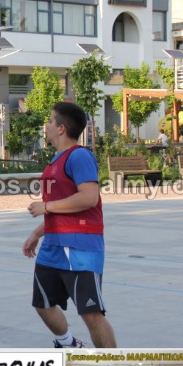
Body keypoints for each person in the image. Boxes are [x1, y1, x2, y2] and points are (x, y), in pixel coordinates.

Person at [23, 102, 117, 348]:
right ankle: (68, 344)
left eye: (50, 121)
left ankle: (113, 365)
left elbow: (89, 197)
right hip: (53, 245)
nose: (47, 125)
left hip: (79, 247)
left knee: (91, 314)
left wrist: (45, 207)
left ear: (61, 128)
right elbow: (62, 206)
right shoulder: (57, 160)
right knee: (42, 304)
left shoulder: (79, 156)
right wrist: (37, 233)